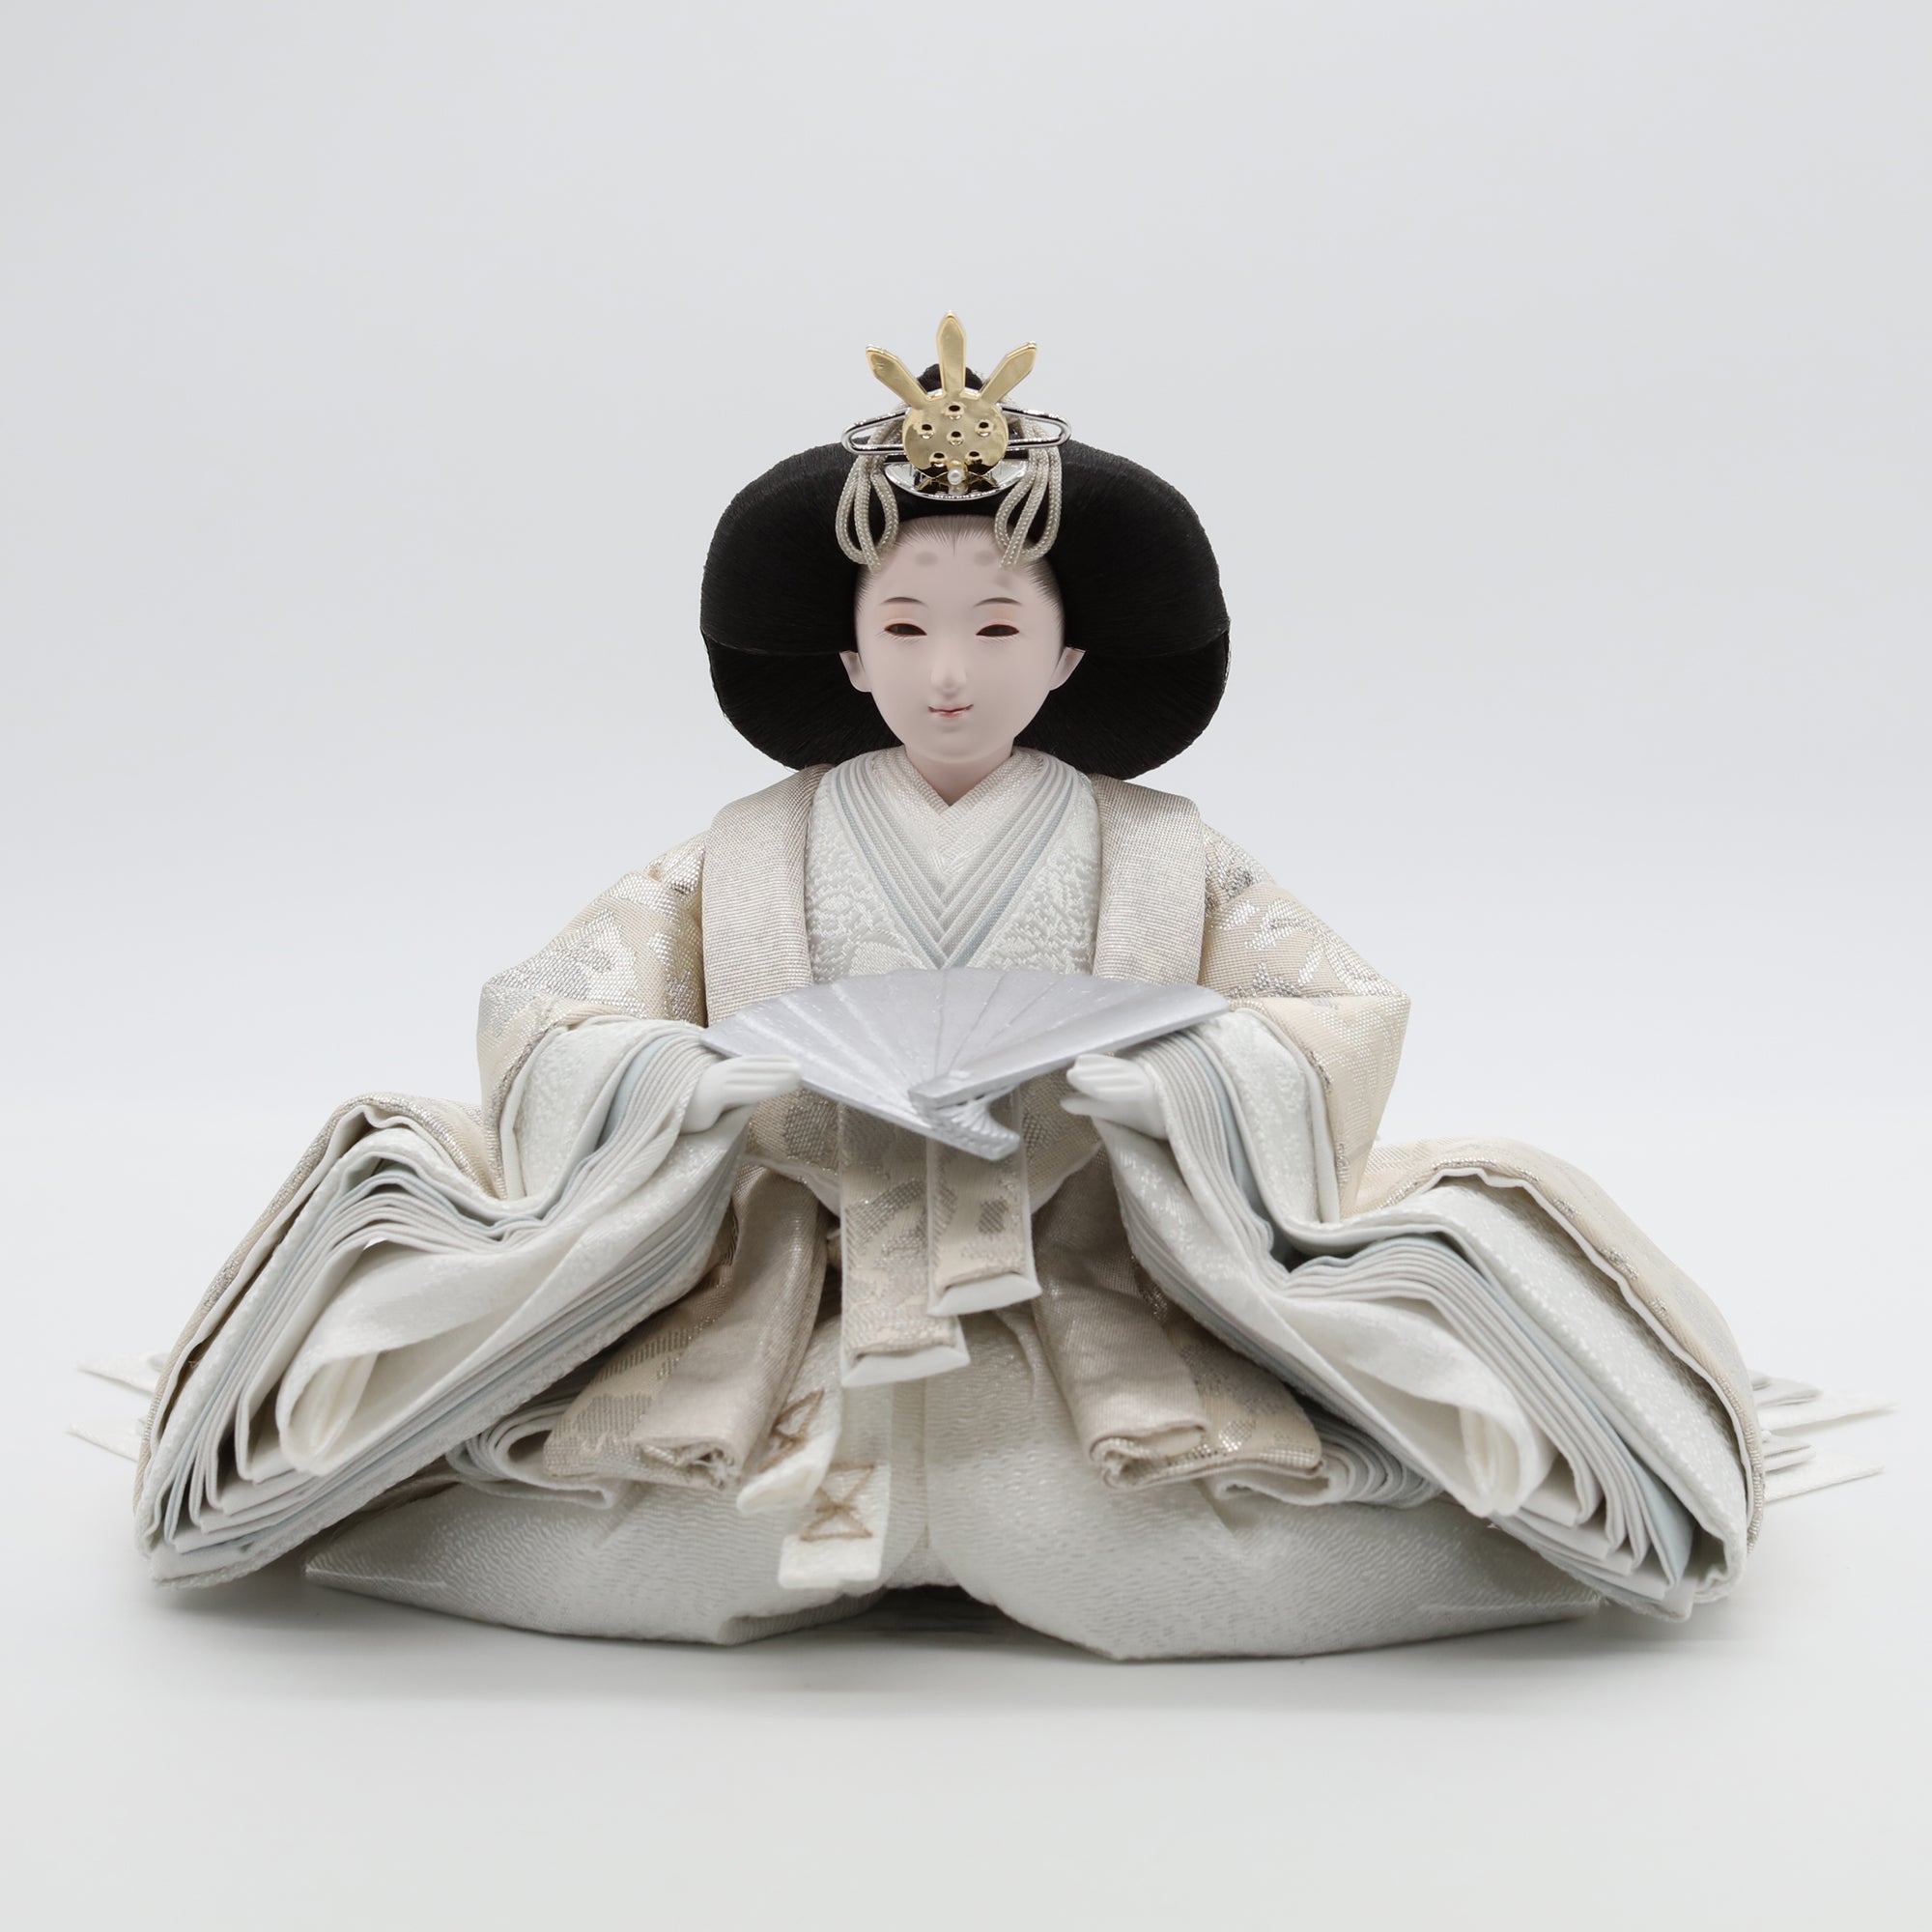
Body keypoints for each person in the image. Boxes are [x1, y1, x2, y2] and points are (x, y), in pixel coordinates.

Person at [131, 319, 1770, 1659]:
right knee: (668, 1542)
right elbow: (554, 1008)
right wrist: (684, 1087)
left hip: (1081, 1281)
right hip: (804, 1286)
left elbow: (1335, 1009)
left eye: (996, 628)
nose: (948, 673)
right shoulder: (742, 853)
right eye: (904, 627)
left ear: (1068, 655)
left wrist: (1177, 1085)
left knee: (1164, 1554)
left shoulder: (1168, 854)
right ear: (847, 655)